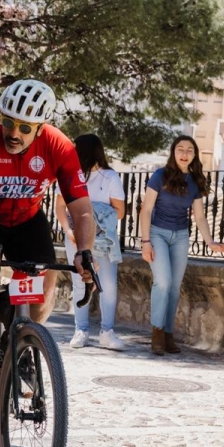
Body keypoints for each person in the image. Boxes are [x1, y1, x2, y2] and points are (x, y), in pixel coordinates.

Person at [0, 79, 95, 435]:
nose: (14, 132)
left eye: (25, 128)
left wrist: (85, 252)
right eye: (8, 122)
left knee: (44, 291)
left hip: (28, 223)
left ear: (40, 128)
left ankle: (15, 345)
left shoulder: (58, 146)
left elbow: (83, 210)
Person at [138, 135, 224, 355]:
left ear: (194, 155)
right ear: (173, 152)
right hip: (157, 234)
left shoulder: (195, 181)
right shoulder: (160, 176)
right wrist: (145, 242)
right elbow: (146, 210)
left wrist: (211, 242)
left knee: (173, 287)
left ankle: (168, 335)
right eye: (180, 149)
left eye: (190, 150)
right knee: (162, 281)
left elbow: (199, 218)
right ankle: (157, 333)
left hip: (181, 236)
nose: (184, 153)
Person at [56, 134, 127, 351]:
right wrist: (68, 230)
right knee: (79, 282)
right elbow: (59, 206)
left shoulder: (110, 177)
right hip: (76, 237)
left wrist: (95, 217)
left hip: (103, 239)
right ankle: (81, 330)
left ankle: (107, 332)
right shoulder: (69, 175)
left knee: (107, 283)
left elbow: (120, 212)